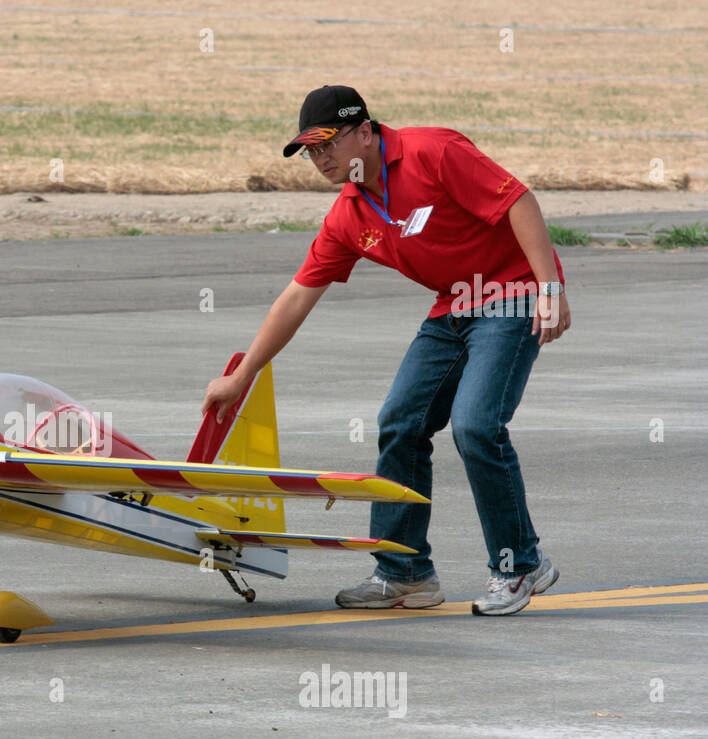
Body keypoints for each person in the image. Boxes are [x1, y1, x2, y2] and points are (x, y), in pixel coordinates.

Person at [201, 86, 571, 616]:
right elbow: (297, 297)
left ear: (366, 132)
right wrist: (243, 377)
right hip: (455, 306)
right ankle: (406, 574)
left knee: (476, 426)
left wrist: (548, 289)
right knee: (400, 422)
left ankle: (520, 565)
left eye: (328, 143)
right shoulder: (349, 214)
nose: (320, 159)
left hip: (512, 293)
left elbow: (519, 201)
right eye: (310, 151)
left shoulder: (433, 152)